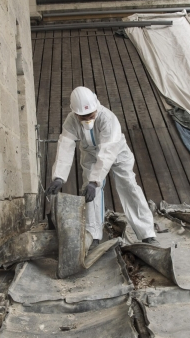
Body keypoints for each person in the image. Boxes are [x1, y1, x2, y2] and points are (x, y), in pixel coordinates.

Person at [46, 86, 159, 247]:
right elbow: (65, 145)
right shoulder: (71, 120)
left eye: (90, 115)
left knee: (129, 186)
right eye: (82, 116)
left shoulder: (108, 118)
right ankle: (93, 236)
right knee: (90, 191)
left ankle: (147, 233)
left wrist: (95, 180)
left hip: (116, 151)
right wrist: (59, 177)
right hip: (90, 154)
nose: (87, 119)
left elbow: (107, 153)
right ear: (75, 113)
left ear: (96, 106)